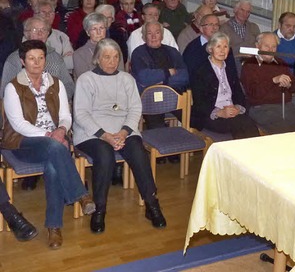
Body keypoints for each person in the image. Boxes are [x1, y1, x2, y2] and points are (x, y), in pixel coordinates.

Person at [3, 40, 95, 248]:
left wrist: (61, 130)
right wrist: (49, 134)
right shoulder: (13, 87)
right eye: (31, 59)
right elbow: (18, 124)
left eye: (41, 58)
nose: (37, 63)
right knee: (55, 148)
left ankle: (54, 228)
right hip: (24, 142)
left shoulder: (56, 83)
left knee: (53, 166)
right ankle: (81, 195)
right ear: (22, 61)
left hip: (56, 140)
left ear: (46, 59)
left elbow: (65, 115)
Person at [73, 38, 166, 233]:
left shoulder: (126, 79)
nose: (112, 61)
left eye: (116, 57)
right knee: (104, 155)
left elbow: (135, 109)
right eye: (106, 57)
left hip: (124, 130)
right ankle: (99, 209)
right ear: (97, 58)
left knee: (139, 152)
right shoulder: (86, 79)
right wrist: (105, 135)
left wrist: (124, 132)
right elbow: (81, 114)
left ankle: (152, 204)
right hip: (92, 133)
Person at [191, 32, 259, 139]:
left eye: (225, 46)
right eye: (218, 46)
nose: (222, 50)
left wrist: (237, 107)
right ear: (210, 49)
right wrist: (219, 112)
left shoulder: (230, 69)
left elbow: (239, 94)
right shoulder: (201, 71)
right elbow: (199, 102)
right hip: (210, 115)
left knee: (249, 123)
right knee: (240, 125)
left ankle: (252, 154)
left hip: (232, 111)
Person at [241, 32, 295, 134]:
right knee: (285, 132)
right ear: (257, 46)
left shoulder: (280, 62)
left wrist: (289, 84)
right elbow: (253, 93)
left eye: (274, 46)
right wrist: (273, 80)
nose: (270, 50)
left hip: (286, 106)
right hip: (262, 108)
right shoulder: (250, 65)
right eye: (266, 46)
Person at [130, 21, 189, 128]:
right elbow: (144, 77)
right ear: (143, 37)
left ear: (162, 35)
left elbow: (184, 76)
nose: (153, 36)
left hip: (174, 95)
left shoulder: (172, 52)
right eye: (149, 33)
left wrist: (162, 81)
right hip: (150, 97)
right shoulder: (138, 53)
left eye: (157, 33)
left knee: (193, 119)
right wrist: (168, 72)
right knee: (157, 128)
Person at [2, 17, 75, 100]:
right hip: (24, 108)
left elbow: (68, 84)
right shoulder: (14, 59)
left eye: (44, 30)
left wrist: (58, 100)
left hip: (54, 105)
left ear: (48, 34)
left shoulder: (56, 57)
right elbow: (5, 91)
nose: (40, 33)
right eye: (35, 30)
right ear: (26, 33)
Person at [183, 13, 236, 80]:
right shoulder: (192, 48)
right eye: (210, 24)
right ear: (201, 28)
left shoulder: (225, 47)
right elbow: (190, 74)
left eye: (216, 25)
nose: (214, 28)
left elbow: (233, 74)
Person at [73, 12, 124, 78]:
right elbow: (84, 80)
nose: (98, 32)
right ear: (88, 32)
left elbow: (121, 74)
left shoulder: (115, 48)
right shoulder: (79, 54)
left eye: (101, 28)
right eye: (94, 29)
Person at [219, 0, 261, 72]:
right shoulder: (224, 28)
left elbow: (260, 46)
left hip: (252, 61)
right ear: (235, 10)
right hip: (234, 61)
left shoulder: (254, 27)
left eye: (248, 12)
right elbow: (222, 50)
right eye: (242, 10)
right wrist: (238, 56)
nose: (244, 14)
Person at [33, 0, 73, 72]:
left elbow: (70, 62)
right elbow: (33, 64)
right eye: (44, 12)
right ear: (35, 15)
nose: (47, 15)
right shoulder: (30, 35)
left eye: (50, 13)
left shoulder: (62, 36)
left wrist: (47, 63)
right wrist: (61, 58)